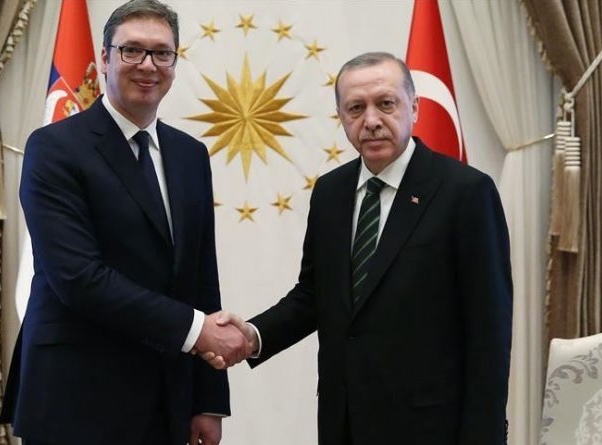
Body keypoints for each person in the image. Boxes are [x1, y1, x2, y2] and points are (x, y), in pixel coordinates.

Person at [206, 52, 512, 444]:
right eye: (356, 108)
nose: (371, 120)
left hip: (431, 428)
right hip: (344, 424)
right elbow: (314, 295)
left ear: (414, 107)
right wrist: (252, 336)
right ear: (341, 116)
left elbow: (489, 331)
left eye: (385, 104)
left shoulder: (466, 192)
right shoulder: (331, 192)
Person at [0, 1, 250, 444]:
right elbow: (77, 277)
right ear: (104, 58)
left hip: (165, 396)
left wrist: (208, 400)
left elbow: (199, 278)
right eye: (132, 50)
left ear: (174, 62)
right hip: (75, 395)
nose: (148, 65)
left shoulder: (190, 155)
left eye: (162, 53)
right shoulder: (54, 148)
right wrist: (197, 331)